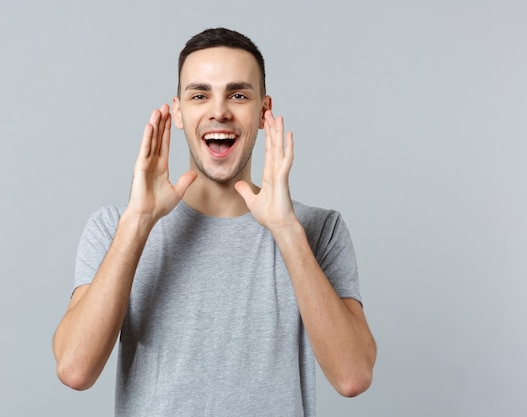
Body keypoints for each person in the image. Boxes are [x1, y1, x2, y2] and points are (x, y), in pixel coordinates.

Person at [52, 27, 376, 416]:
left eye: (238, 95)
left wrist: (286, 230)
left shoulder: (318, 230)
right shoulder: (114, 227)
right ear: (177, 112)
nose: (219, 110)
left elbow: (352, 376)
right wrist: (138, 222)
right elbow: (75, 369)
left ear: (263, 111)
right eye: (200, 95)